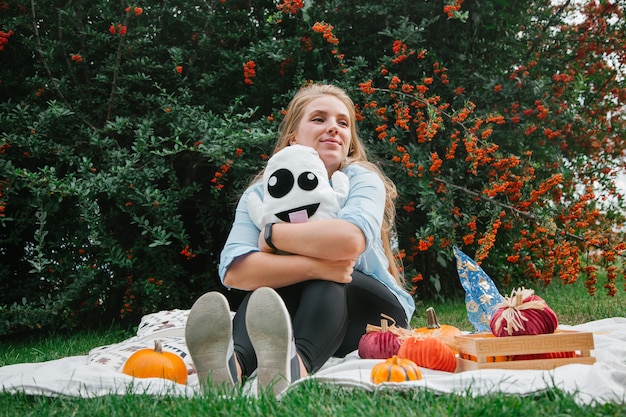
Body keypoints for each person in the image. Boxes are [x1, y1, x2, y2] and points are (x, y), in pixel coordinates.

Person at [185, 84, 415, 396]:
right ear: (294, 137)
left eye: (343, 123)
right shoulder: (261, 194)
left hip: (376, 320)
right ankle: (231, 369)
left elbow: (348, 243)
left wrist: (272, 236)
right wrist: (316, 266)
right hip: (305, 312)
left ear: (349, 143)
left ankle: (296, 368)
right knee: (271, 292)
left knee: (328, 278)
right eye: (319, 119)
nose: (333, 127)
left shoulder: (361, 179)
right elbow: (235, 270)